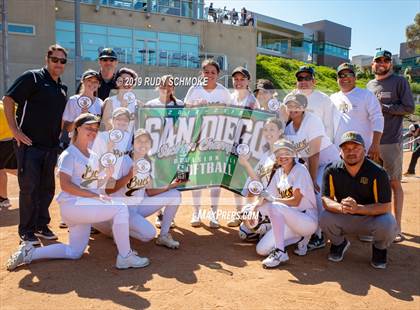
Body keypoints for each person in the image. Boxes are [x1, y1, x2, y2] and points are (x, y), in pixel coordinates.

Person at [6, 113, 149, 271]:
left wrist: (106, 176)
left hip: (82, 208)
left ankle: (29, 253)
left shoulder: (92, 155)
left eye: (95, 128)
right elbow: (66, 185)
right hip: (73, 205)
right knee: (121, 208)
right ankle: (125, 256)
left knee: (74, 252)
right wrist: (94, 196)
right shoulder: (69, 154)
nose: (93, 131)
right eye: (88, 127)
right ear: (77, 129)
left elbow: (92, 183)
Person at [3, 44, 69, 245]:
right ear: (47, 59)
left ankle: (41, 225)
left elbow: (59, 117)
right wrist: (15, 131)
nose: (58, 64)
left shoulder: (62, 88)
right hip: (30, 145)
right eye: (54, 59)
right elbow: (8, 99)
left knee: (47, 188)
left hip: (51, 147)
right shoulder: (32, 77)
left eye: (62, 61)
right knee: (29, 188)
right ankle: (26, 231)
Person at [94, 129, 184, 249]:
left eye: (146, 141)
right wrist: (128, 176)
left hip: (136, 207)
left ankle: (163, 235)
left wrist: (173, 185)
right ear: (132, 144)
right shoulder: (123, 161)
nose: (143, 144)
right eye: (139, 141)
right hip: (118, 211)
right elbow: (108, 190)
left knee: (175, 195)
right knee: (149, 234)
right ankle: (116, 230)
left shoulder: (146, 162)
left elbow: (150, 191)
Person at [320, 131, 398, 269]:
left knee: (388, 222)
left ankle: (379, 249)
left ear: (364, 150)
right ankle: (339, 244)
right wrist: (342, 207)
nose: (351, 152)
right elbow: (326, 200)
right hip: (345, 216)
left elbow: (385, 207)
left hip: (370, 219)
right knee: (325, 217)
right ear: (340, 152)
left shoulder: (378, 173)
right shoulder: (331, 170)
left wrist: (358, 209)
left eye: (356, 148)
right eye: (346, 149)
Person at [244, 139, 318, 268]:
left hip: (306, 220)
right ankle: (299, 238)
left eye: (286, 152)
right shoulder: (279, 173)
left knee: (274, 206)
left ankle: (280, 252)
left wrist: (273, 200)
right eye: (279, 154)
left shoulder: (300, 170)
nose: (282, 157)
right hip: (289, 221)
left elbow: (296, 201)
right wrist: (254, 208)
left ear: (293, 154)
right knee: (261, 250)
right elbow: (267, 195)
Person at [367, 50, 415, 242]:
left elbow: (409, 107)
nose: (382, 63)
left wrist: (385, 108)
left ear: (391, 63)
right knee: (374, 184)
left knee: (394, 183)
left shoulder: (400, 81)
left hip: (391, 142)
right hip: (372, 142)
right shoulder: (370, 84)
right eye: (378, 60)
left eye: (386, 60)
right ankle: (377, 225)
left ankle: (397, 227)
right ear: (373, 64)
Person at [283, 93, 340, 250]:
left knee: (316, 193)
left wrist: (313, 179)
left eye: (297, 105)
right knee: (302, 192)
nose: (293, 108)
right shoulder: (288, 128)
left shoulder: (312, 121)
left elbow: (315, 153)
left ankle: (320, 235)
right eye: (290, 105)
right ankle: (307, 229)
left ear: (304, 108)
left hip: (329, 162)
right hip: (312, 164)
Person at [184, 59, 232, 228]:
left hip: (217, 140)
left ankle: (213, 214)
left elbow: (231, 114)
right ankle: (196, 212)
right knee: (196, 177)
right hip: (197, 139)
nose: (209, 75)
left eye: (213, 72)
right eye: (206, 71)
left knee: (215, 177)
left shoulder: (224, 91)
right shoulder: (194, 89)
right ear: (201, 73)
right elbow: (185, 110)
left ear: (218, 75)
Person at [236, 118, 283, 228]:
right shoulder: (266, 154)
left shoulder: (283, 153)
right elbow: (256, 179)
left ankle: (272, 226)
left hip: (276, 202)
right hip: (265, 198)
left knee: (251, 221)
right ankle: (266, 225)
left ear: (280, 132)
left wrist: (256, 205)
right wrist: (245, 163)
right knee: (245, 230)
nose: (268, 133)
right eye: (266, 130)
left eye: (272, 129)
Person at [330, 63, 384, 159]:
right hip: (338, 153)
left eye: (349, 75)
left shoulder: (366, 95)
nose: (345, 78)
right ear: (337, 79)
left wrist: (375, 144)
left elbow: (378, 119)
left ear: (355, 78)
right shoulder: (332, 98)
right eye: (341, 75)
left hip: (363, 152)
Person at [294, 66, 337, 142]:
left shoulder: (324, 99)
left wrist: (325, 149)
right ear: (296, 82)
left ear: (314, 81)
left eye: (307, 78)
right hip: (295, 146)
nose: (303, 82)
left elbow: (329, 127)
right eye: (300, 79)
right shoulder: (289, 98)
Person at [63, 69, 103, 134]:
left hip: (94, 142)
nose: (92, 83)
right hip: (77, 142)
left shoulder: (100, 102)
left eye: (96, 81)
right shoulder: (73, 100)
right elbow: (68, 128)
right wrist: (80, 118)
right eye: (89, 80)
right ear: (82, 81)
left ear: (99, 84)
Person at [0, 100, 17, 208]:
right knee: (6, 168)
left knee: (1, 169)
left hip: (3, 141)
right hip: (13, 139)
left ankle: (3, 199)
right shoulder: (3, 103)